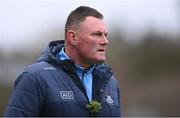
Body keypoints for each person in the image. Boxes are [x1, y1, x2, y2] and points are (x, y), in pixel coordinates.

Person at [4, 6, 121, 117]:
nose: (105, 41)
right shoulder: (35, 77)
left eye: (105, 35)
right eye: (97, 34)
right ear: (73, 37)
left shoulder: (110, 82)